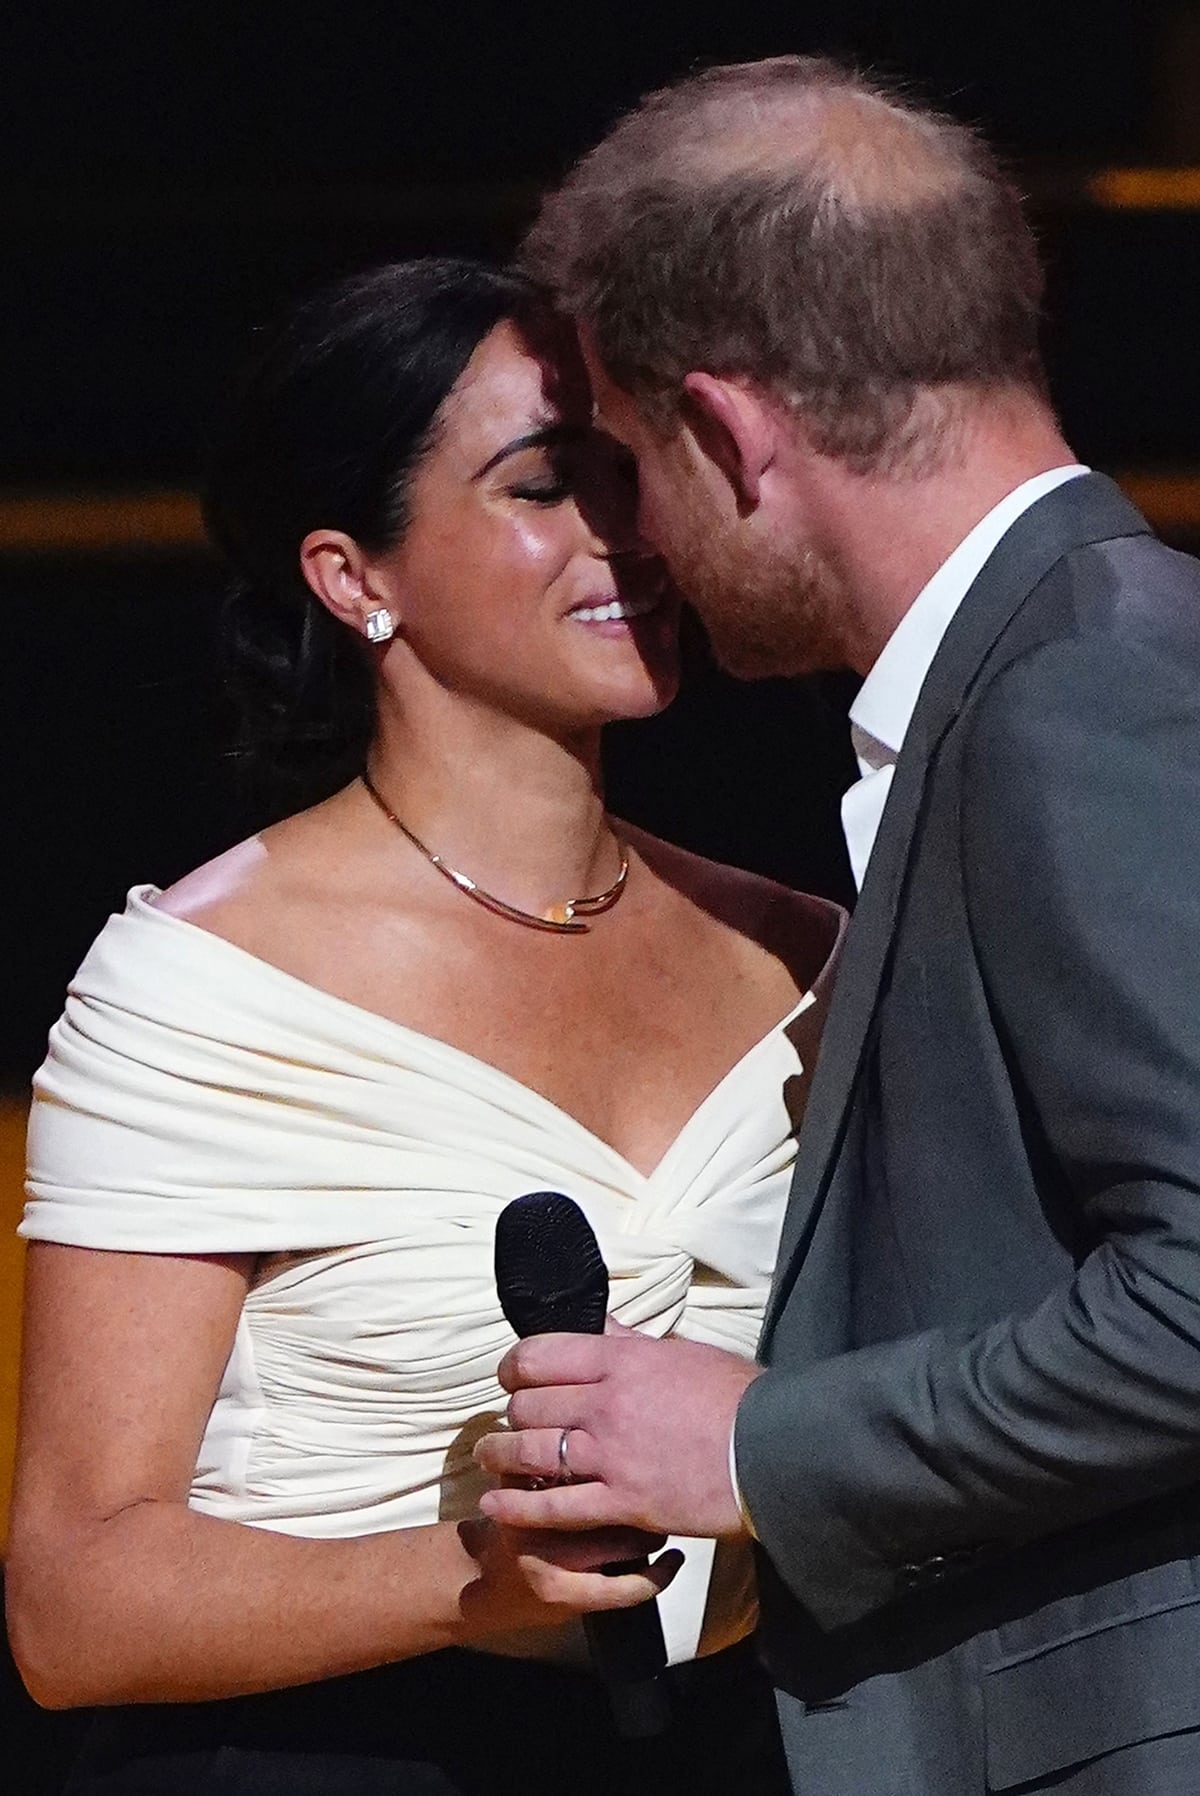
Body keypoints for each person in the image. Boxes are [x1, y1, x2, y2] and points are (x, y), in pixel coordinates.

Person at [5, 256, 845, 1796]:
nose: (621, 532)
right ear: (353, 576)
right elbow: (70, 1601)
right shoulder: (204, 986)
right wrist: (473, 1578)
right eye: (542, 483)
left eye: (626, 472)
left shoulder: (806, 953)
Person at [473, 55, 1200, 1795]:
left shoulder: (1078, 694)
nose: (633, 533)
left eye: (631, 461)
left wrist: (762, 1444)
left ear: (726, 433)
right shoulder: (1082, 652)